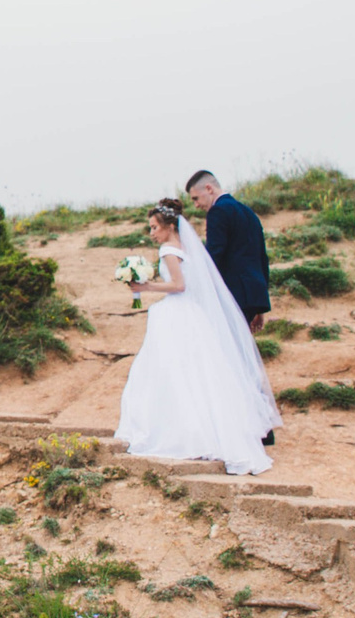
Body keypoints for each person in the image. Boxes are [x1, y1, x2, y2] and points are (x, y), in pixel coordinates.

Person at [114, 198, 281, 475]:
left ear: (169, 226)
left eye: (155, 227)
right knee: (198, 372)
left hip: (176, 313)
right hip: (192, 314)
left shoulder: (168, 249)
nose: (152, 233)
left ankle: (180, 433)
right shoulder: (186, 248)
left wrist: (146, 286)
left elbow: (179, 285)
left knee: (170, 372)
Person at [188, 167, 277, 449]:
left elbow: (213, 256)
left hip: (232, 295)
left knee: (233, 359)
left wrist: (191, 283)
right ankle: (262, 426)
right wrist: (260, 303)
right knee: (245, 358)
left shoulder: (218, 213)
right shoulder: (247, 212)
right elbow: (261, 258)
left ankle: (253, 427)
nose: (197, 205)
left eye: (195, 198)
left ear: (209, 189)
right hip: (251, 293)